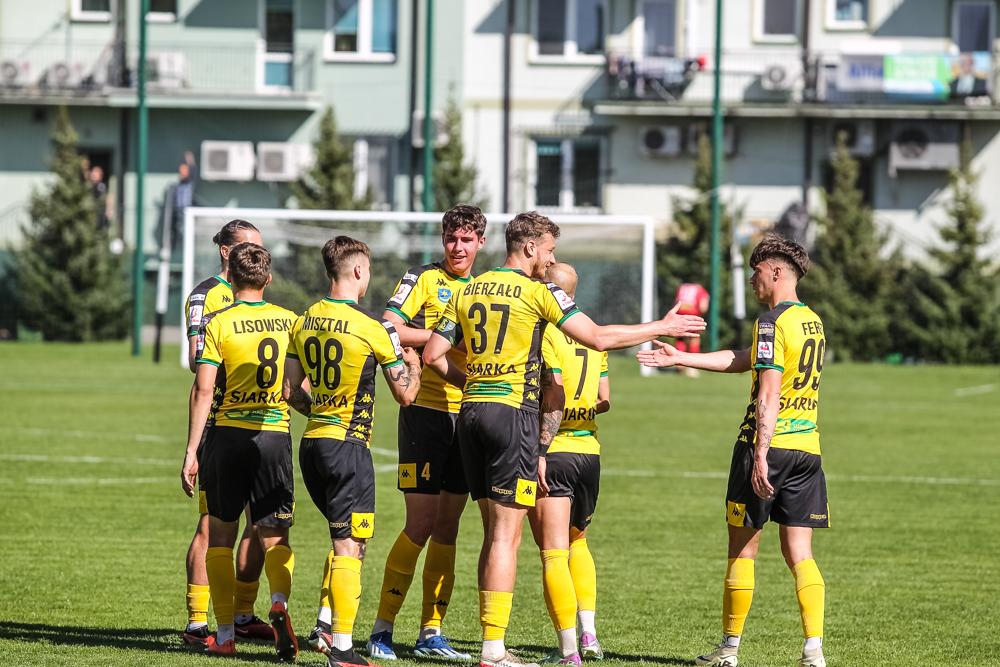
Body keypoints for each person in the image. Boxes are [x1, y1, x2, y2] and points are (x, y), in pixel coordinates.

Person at [423, 211, 706, 667]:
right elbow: (597, 337)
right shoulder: (539, 291)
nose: (551, 260)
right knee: (506, 538)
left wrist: (475, 383)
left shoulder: (468, 289)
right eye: (550, 250)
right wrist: (660, 327)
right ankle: (493, 651)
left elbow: (434, 355)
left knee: (493, 533)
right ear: (530, 247)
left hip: (471, 414)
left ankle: (491, 642)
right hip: (512, 416)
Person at [637, 235, 829, 667]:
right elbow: (748, 359)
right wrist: (682, 358)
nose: (752, 279)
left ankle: (729, 650)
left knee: (743, 550)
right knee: (801, 554)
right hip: (807, 449)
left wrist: (760, 453)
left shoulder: (771, 321)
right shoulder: (811, 321)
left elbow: (768, 392)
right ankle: (813, 651)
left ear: (776, 272)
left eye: (756, 272)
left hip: (768, 446)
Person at [283, 236, 424, 667]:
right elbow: (405, 395)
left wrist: (322, 414)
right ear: (359, 271)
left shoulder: (304, 320)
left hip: (312, 445)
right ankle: (342, 648)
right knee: (350, 546)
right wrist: (415, 365)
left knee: (341, 538)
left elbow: (291, 391)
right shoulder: (373, 327)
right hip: (349, 448)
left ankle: (325, 625)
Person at [367, 205, 487, 662]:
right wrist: (440, 338)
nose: (457, 247)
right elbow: (388, 326)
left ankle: (431, 632)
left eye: (466, 240)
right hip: (424, 414)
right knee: (419, 523)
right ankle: (382, 629)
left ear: (480, 243)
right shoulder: (423, 278)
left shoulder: (484, 288)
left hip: (467, 416)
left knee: (448, 528)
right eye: (451, 239)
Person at [181, 242, 299, 660]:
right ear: (269, 279)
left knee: (220, 536)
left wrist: (192, 450)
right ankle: (279, 603)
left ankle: (226, 634)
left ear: (230, 278)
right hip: (273, 435)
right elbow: (296, 387)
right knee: (274, 534)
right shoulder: (290, 321)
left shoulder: (219, 322)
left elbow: (203, 388)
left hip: (227, 436)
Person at [180, 220, 270, 647]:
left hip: (261, 425)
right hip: (219, 423)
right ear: (225, 252)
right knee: (212, 525)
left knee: (261, 522)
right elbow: (199, 361)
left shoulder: (257, 295)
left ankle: (243, 614)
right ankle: (198, 623)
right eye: (249, 247)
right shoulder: (206, 296)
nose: (257, 255)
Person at [528, 262, 610, 665]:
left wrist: (540, 449)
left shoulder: (546, 333)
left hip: (555, 450)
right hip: (589, 452)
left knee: (553, 552)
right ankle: (589, 633)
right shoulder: (593, 335)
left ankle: (569, 651)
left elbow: (553, 392)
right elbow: (605, 399)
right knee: (579, 541)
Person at [673, 282, 710, 377]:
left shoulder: (682, 287)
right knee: (694, 339)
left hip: (679, 314)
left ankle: (679, 365)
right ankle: (692, 367)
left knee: (680, 338)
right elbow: (703, 307)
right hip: (692, 314)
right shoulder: (701, 290)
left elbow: (675, 302)